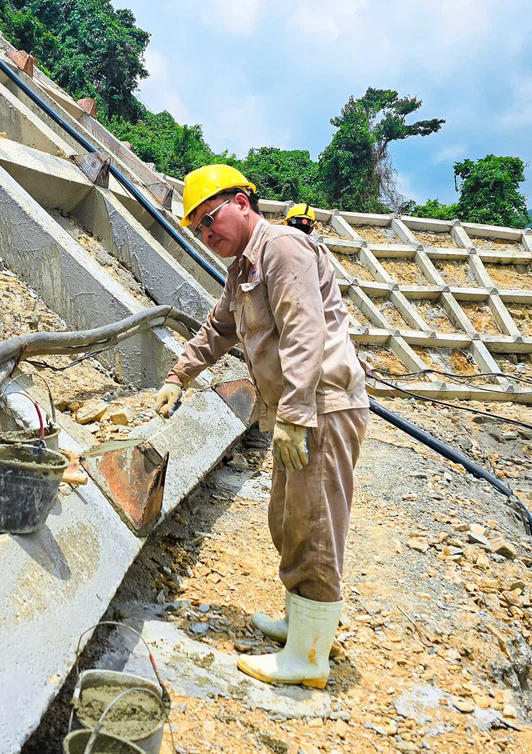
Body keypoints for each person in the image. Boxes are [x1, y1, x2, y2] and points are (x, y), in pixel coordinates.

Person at [152, 164, 369, 689]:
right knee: (288, 519)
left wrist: (294, 415)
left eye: (211, 218)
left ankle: (310, 658)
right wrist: (180, 373)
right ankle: (303, 625)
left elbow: (303, 330)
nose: (208, 234)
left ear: (243, 203)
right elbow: (220, 328)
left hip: (319, 408)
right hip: (298, 413)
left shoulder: (284, 249)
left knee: (314, 524)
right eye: (199, 228)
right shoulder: (242, 270)